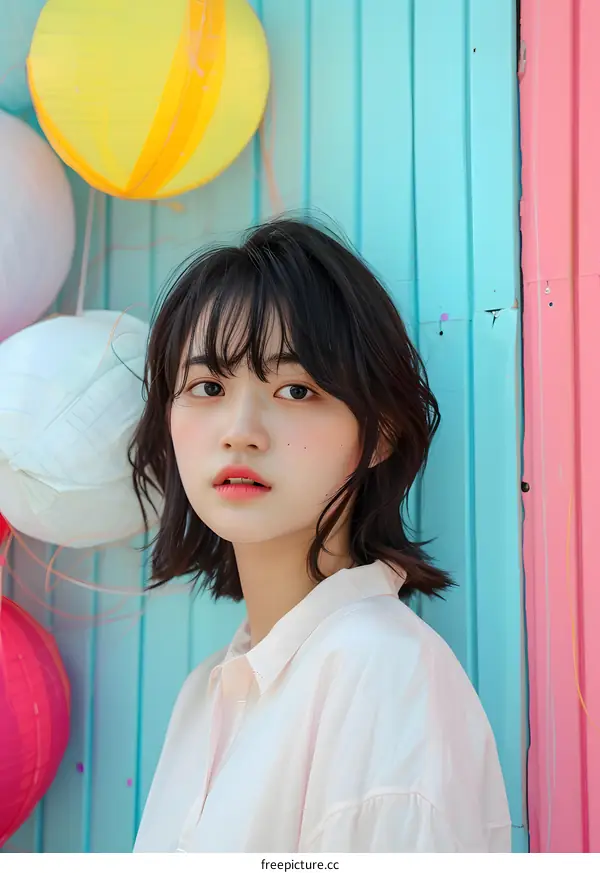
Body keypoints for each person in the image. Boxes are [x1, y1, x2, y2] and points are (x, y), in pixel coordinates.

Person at [128, 217, 511, 853]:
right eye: (207, 387)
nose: (241, 430)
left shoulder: (381, 672)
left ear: (381, 431)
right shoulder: (205, 696)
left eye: (296, 389)